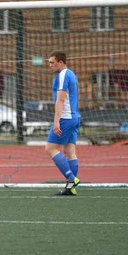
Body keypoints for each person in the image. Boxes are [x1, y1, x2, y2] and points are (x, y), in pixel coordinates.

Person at [45, 51, 81, 196]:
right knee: (69, 151)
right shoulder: (71, 74)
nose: (50, 65)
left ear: (60, 62)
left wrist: (56, 122)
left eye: (52, 62)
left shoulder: (63, 75)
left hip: (65, 118)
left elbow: (60, 100)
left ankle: (72, 179)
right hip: (75, 117)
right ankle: (70, 188)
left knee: (50, 148)